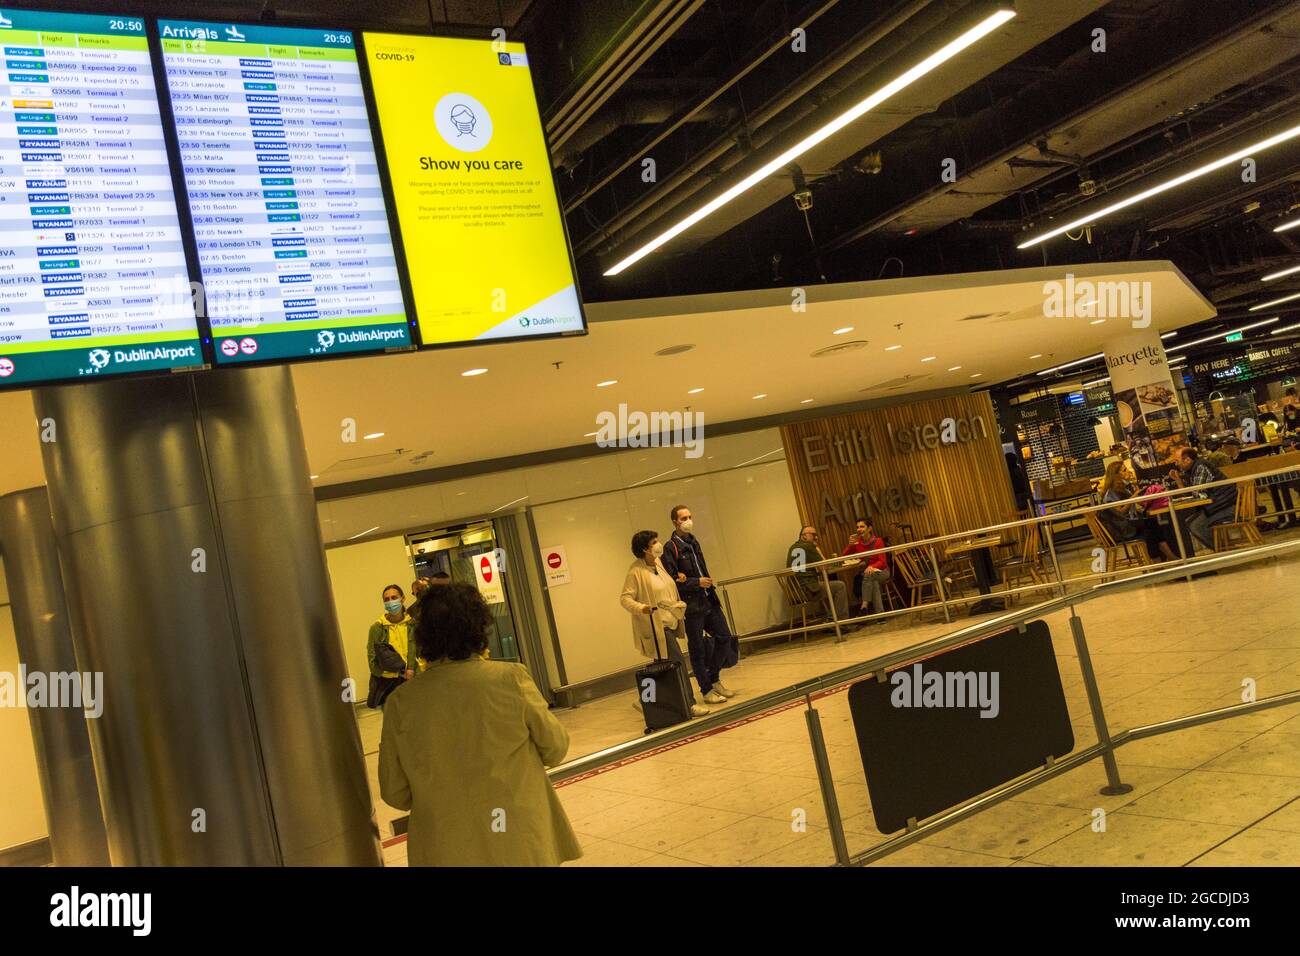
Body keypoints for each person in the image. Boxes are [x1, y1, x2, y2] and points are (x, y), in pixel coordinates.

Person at [378, 583, 581, 866]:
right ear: (480, 627)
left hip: (444, 846)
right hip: (518, 836)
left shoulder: (401, 703)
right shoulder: (511, 679)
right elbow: (556, 748)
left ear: (422, 637)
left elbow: (394, 791)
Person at [619, 530, 709, 717]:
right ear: (645, 549)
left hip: (671, 620)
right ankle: (689, 704)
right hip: (657, 626)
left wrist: (679, 580)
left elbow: (664, 587)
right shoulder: (636, 572)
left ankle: (646, 699)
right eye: (654, 542)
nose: (658, 544)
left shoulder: (658, 564)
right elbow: (625, 598)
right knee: (677, 663)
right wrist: (643, 608)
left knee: (659, 668)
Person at [660, 506, 738, 705]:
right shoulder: (671, 547)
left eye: (690, 516)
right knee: (697, 648)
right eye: (684, 518)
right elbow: (672, 580)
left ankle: (713, 677)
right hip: (692, 607)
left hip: (709, 600)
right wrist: (695, 582)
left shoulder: (693, 542)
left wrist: (705, 584)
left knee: (725, 638)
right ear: (675, 522)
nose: (688, 520)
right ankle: (706, 690)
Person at [1097, 461, 1175, 562]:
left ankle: (1161, 559)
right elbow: (1121, 512)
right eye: (1124, 470)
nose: (1128, 471)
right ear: (1116, 475)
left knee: (1153, 524)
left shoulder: (1124, 488)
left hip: (1127, 524)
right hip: (1121, 529)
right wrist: (1134, 496)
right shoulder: (1111, 494)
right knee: (1151, 527)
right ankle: (1161, 559)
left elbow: (1137, 505)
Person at [1167, 447, 1237, 551]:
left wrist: (1188, 495)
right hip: (1220, 505)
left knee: (1195, 525)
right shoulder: (1193, 470)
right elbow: (1192, 494)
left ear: (1187, 460)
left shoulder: (1201, 466)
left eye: (1177, 461)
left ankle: (1222, 549)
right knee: (1191, 522)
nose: (1176, 465)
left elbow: (1198, 495)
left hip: (1228, 506)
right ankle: (1221, 548)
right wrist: (1178, 480)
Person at [366, 584, 417, 709]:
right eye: (387, 599)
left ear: (403, 598)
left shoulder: (413, 625)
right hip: (389, 686)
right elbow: (373, 664)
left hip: (415, 682)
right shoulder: (377, 628)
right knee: (394, 725)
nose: (391, 602)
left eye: (394, 597)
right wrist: (400, 673)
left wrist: (413, 671)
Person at [788, 525, 849, 620]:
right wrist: (818, 551)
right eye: (813, 535)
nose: (816, 537)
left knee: (832, 585)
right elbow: (824, 567)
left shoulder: (793, 547)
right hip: (808, 589)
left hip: (794, 591)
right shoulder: (808, 546)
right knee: (840, 586)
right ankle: (840, 622)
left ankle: (831, 618)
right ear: (804, 536)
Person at [841, 517, 890, 618]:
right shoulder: (857, 542)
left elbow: (882, 562)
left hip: (883, 571)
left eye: (862, 526)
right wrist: (850, 545)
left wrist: (871, 567)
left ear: (869, 528)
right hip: (869, 574)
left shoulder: (878, 541)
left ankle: (864, 606)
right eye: (857, 527)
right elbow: (844, 557)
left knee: (868, 575)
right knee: (872, 580)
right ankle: (880, 616)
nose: (859, 529)